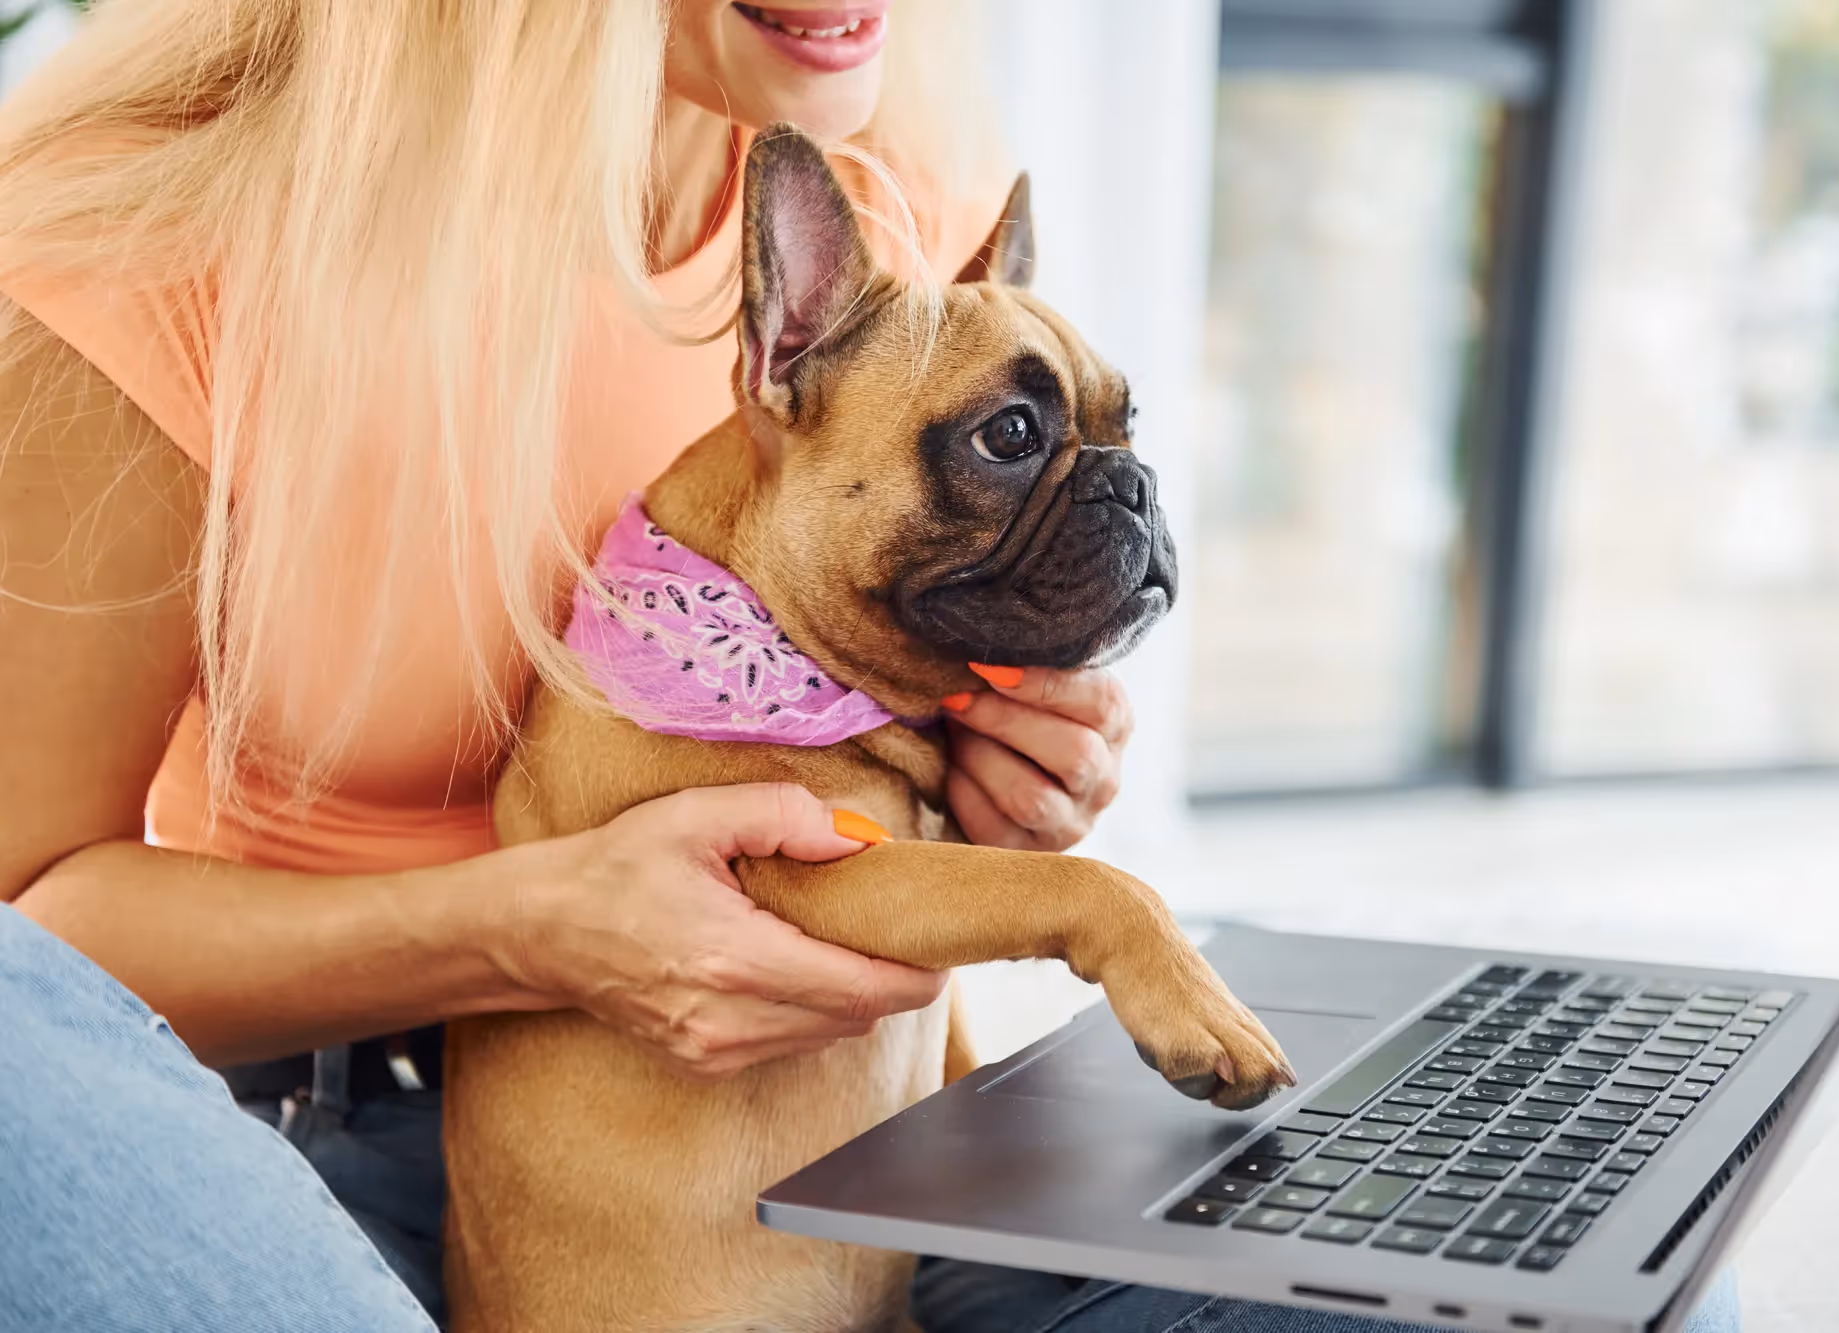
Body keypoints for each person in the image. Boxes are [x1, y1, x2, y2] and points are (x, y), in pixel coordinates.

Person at [0, 3, 1741, 1330]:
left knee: (1602, 1262)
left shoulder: (885, 208)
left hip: (880, 1121)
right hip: (333, 1134)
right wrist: (527, 929)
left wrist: (1008, 765)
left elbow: (900, 705)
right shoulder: (162, 233)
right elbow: (28, 963)